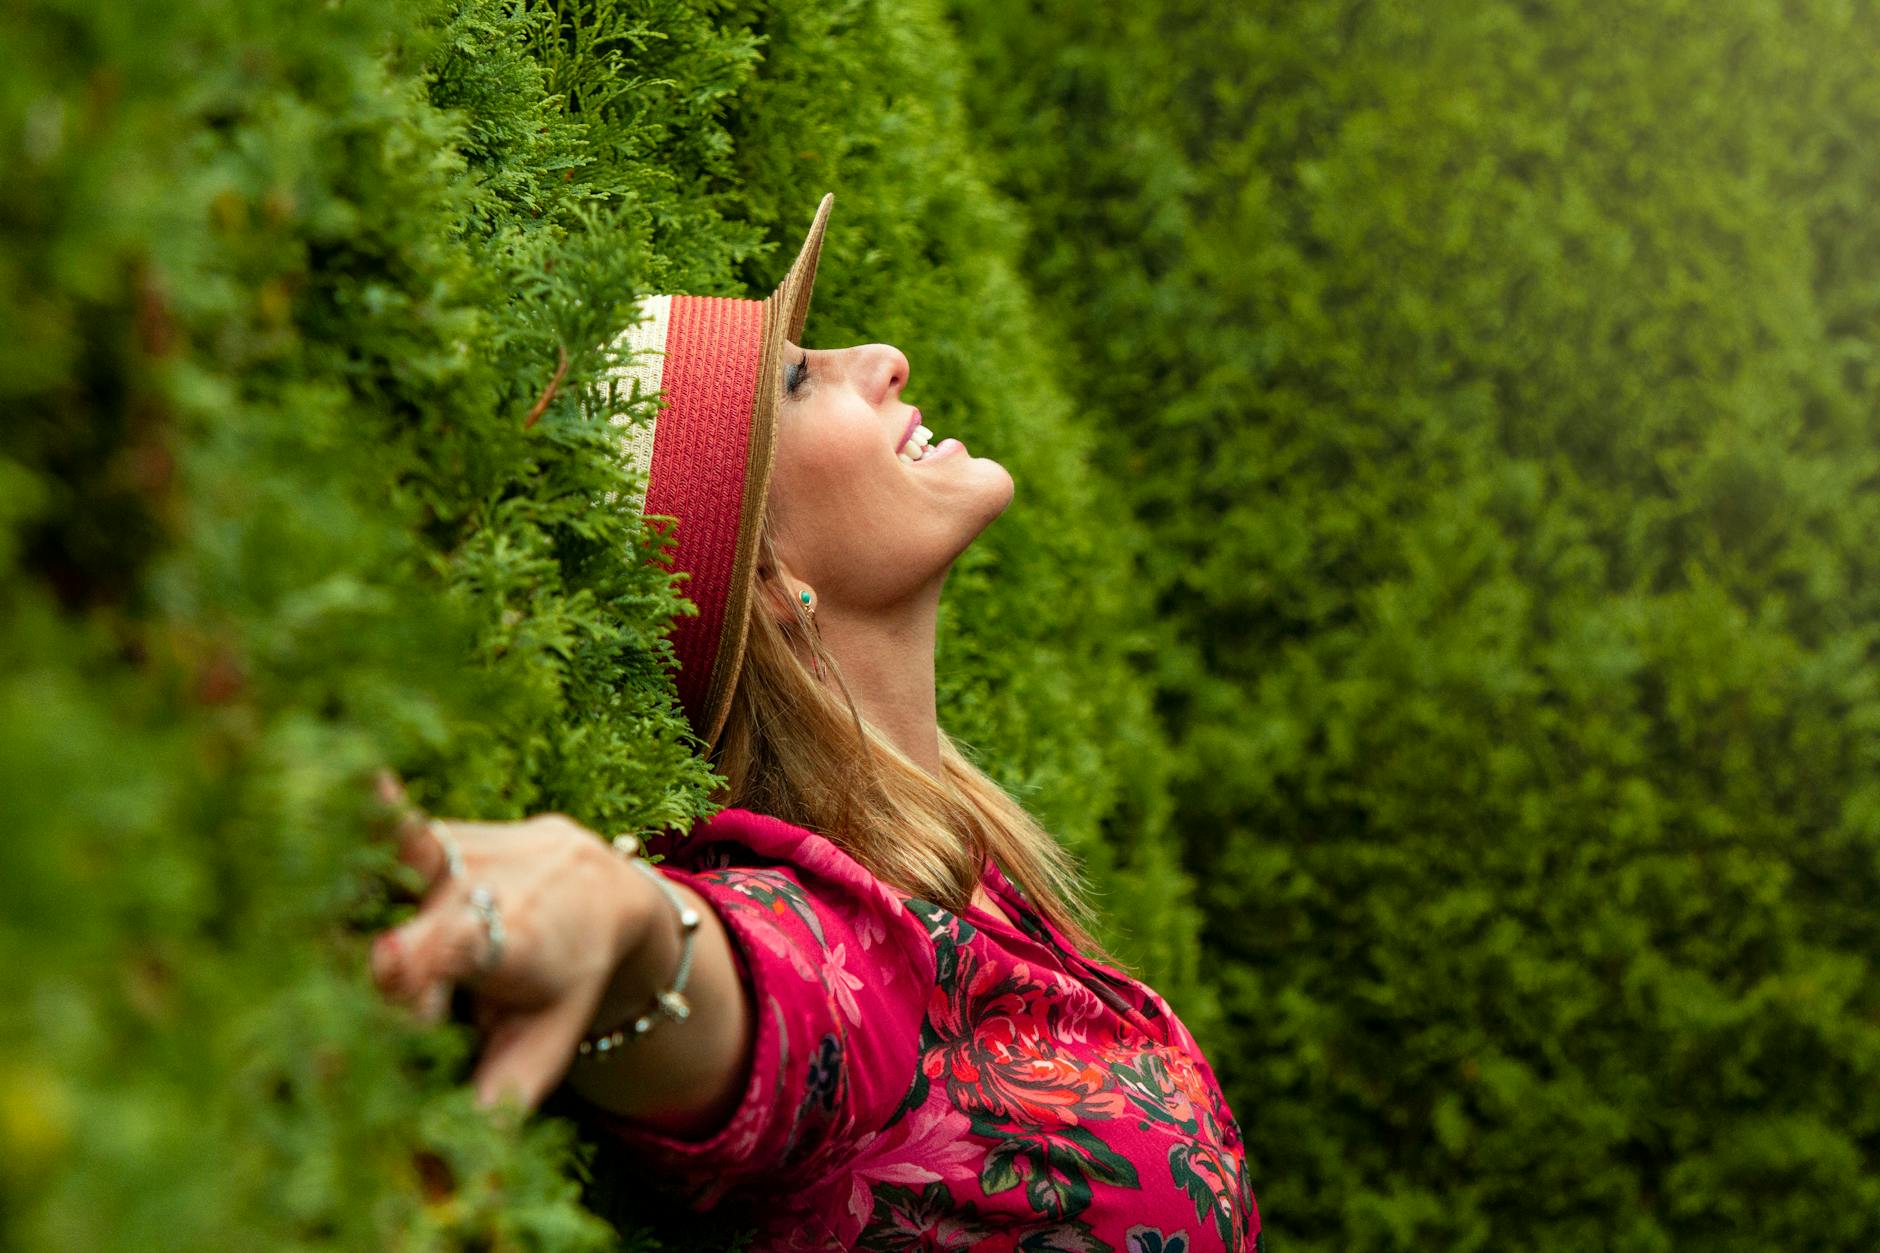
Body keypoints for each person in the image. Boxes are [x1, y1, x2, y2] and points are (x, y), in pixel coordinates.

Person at [366, 194, 1264, 1250]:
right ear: (767, 578)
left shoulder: (967, 872)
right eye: (798, 377)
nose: (884, 356)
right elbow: (754, 987)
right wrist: (619, 918)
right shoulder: (838, 942)